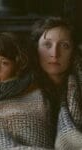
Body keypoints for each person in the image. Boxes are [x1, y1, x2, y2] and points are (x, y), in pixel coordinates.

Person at [30, 16, 82, 149]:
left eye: (64, 45)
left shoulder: (77, 87)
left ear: (73, 52)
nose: (55, 53)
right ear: (36, 49)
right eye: (47, 45)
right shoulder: (24, 89)